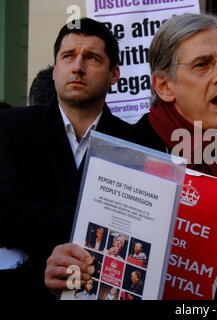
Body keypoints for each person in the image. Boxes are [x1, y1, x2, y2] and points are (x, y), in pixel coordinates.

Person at [45, 13, 217, 300]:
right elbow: (84, 253)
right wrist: (63, 268)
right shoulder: (121, 154)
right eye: (202, 65)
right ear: (164, 86)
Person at [0, 18, 131, 298]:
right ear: (55, 67)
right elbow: (5, 214)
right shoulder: (10, 127)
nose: (78, 67)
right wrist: (99, 222)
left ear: (114, 74)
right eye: (68, 56)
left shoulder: (134, 142)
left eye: (92, 58)